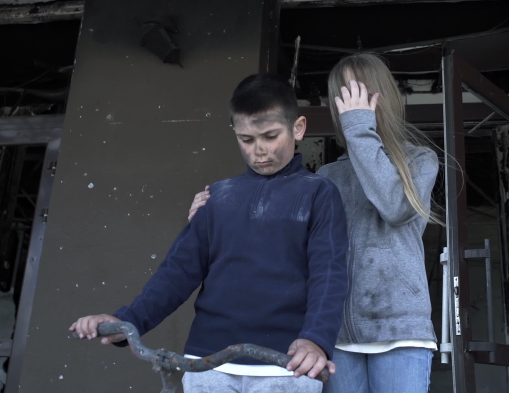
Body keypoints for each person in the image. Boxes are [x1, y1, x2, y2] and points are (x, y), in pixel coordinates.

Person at [71, 73, 349, 393]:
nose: (259, 150)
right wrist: (128, 321)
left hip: (286, 365)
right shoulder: (217, 197)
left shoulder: (319, 194)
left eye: (270, 136)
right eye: (246, 139)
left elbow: (329, 274)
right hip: (207, 361)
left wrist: (316, 340)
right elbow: (176, 273)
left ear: (298, 128)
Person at [188, 53, 441, 393]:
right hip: (334, 335)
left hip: (399, 331)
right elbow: (283, 241)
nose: (349, 103)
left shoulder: (421, 160)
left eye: (358, 91)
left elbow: (394, 207)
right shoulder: (327, 175)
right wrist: (213, 216)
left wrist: (359, 128)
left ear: (381, 93)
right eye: (342, 94)